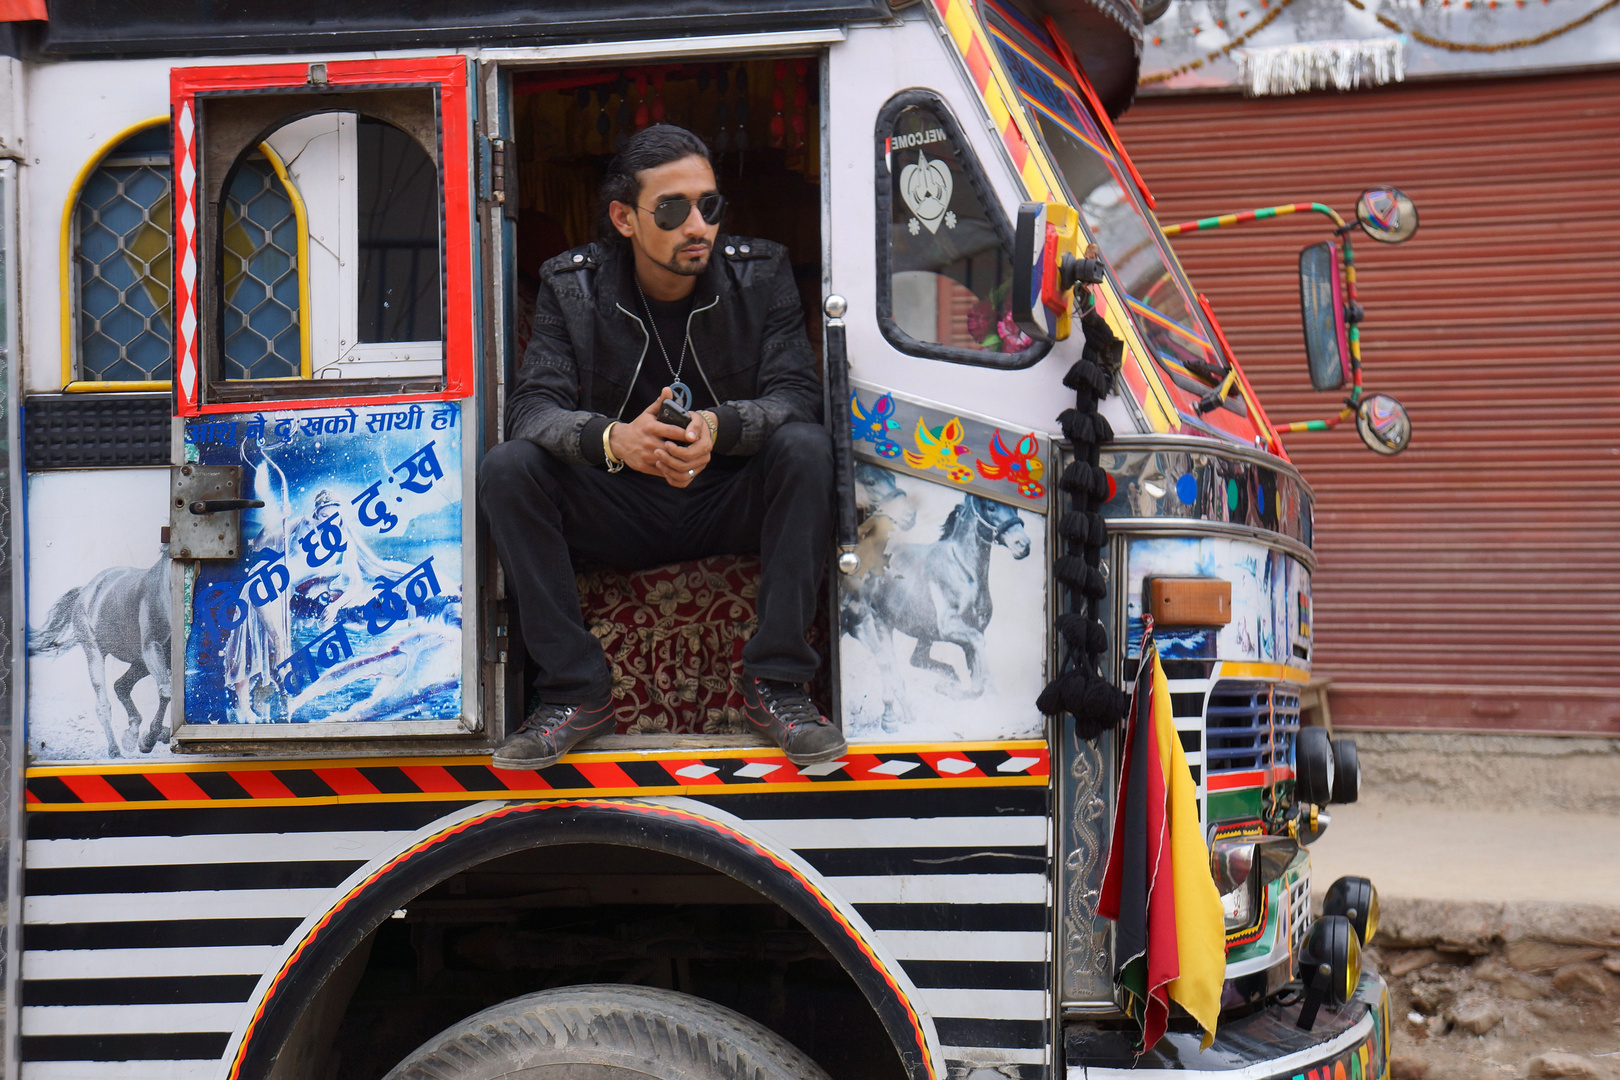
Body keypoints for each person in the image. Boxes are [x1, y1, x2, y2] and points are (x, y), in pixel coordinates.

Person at [479, 124, 843, 771]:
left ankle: (779, 686)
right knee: (510, 469)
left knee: (807, 447)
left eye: (709, 206)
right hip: (620, 503)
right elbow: (532, 410)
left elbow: (795, 394)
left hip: (727, 497)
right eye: (673, 209)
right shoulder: (574, 287)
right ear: (624, 216)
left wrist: (718, 428)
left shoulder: (760, 275)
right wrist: (613, 440)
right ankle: (573, 691)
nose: (697, 224)